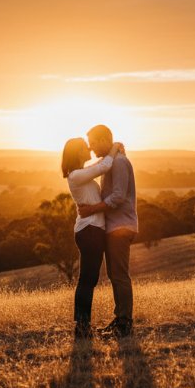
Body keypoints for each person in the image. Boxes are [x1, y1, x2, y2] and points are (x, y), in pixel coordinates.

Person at [77, 124, 137, 338]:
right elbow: (98, 167)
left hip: (120, 225)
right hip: (115, 226)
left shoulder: (119, 162)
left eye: (93, 143)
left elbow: (118, 196)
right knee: (115, 274)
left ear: (103, 139)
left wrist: (92, 209)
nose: (91, 148)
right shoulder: (112, 160)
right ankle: (120, 319)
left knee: (119, 275)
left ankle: (125, 323)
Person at [62, 137, 124, 339]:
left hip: (91, 230)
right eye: (84, 147)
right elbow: (104, 166)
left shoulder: (81, 175)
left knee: (89, 280)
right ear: (77, 153)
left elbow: (100, 165)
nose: (89, 148)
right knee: (87, 280)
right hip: (89, 231)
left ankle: (83, 325)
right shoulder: (76, 175)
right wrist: (115, 147)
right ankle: (81, 327)